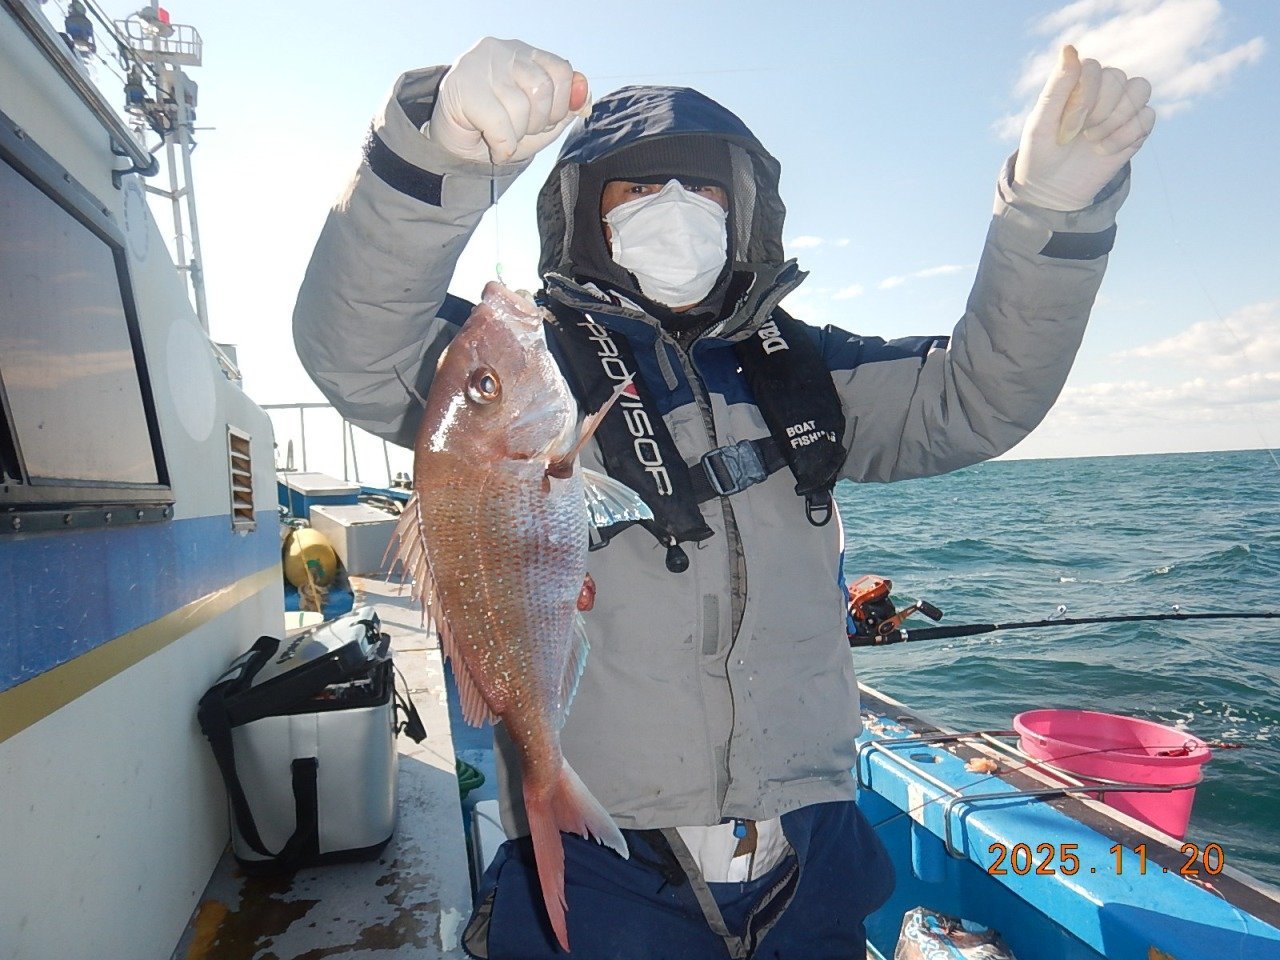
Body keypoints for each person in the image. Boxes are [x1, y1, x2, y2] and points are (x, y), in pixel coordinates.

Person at [294, 37, 1154, 959]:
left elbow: (981, 396)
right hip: (609, 857)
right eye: (637, 188)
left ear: (743, 210)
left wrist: (1052, 217)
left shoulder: (809, 367)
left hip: (813, 847)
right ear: (585, 214)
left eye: (702, 190)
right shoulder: (536, 365)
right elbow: (356, 344)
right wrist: (436, 154)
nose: (674, 207)